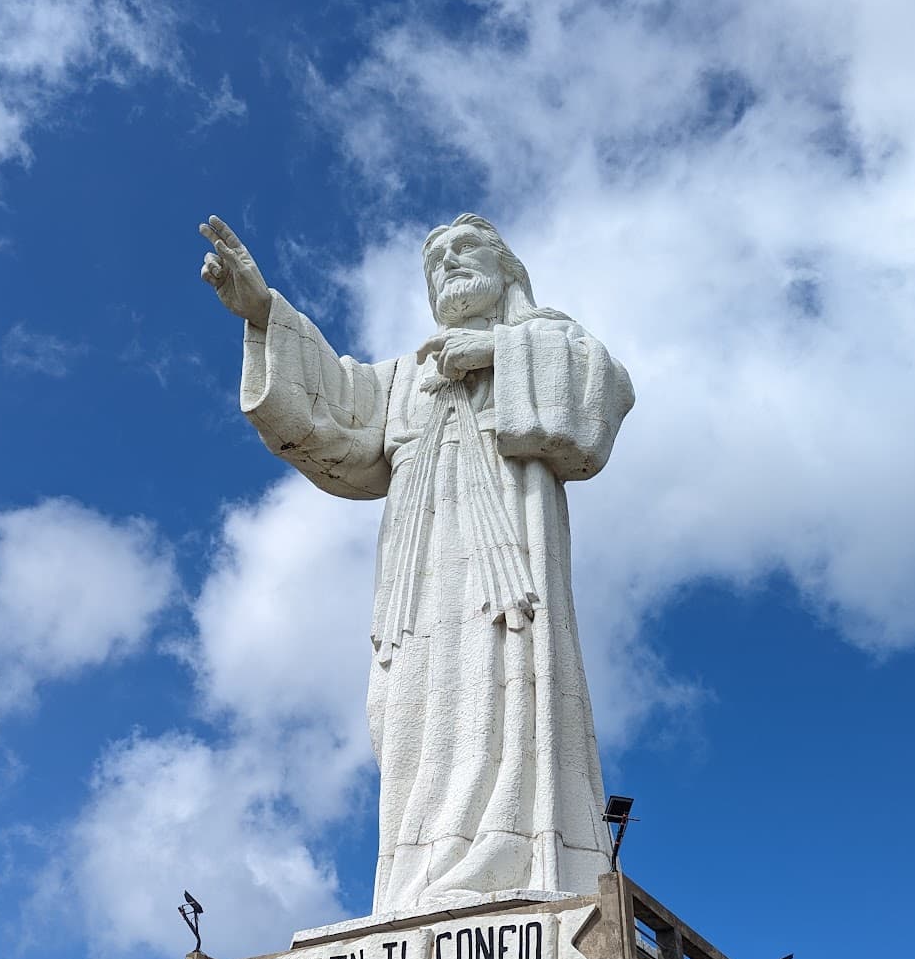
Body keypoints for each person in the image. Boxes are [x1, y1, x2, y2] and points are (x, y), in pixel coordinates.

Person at [199, 212, 634, 917]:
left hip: (506, 583)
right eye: (435, 259)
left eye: (466, 250)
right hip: (415, 592)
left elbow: (590, 402)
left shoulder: (543, 341)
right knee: (406, 712)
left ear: (507, 272)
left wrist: (494, 354)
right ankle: (419, 882)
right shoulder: (409, 378)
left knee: (500, 688)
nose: (449, 264)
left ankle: (501, 856)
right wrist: (262, 310)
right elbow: (328, 412)